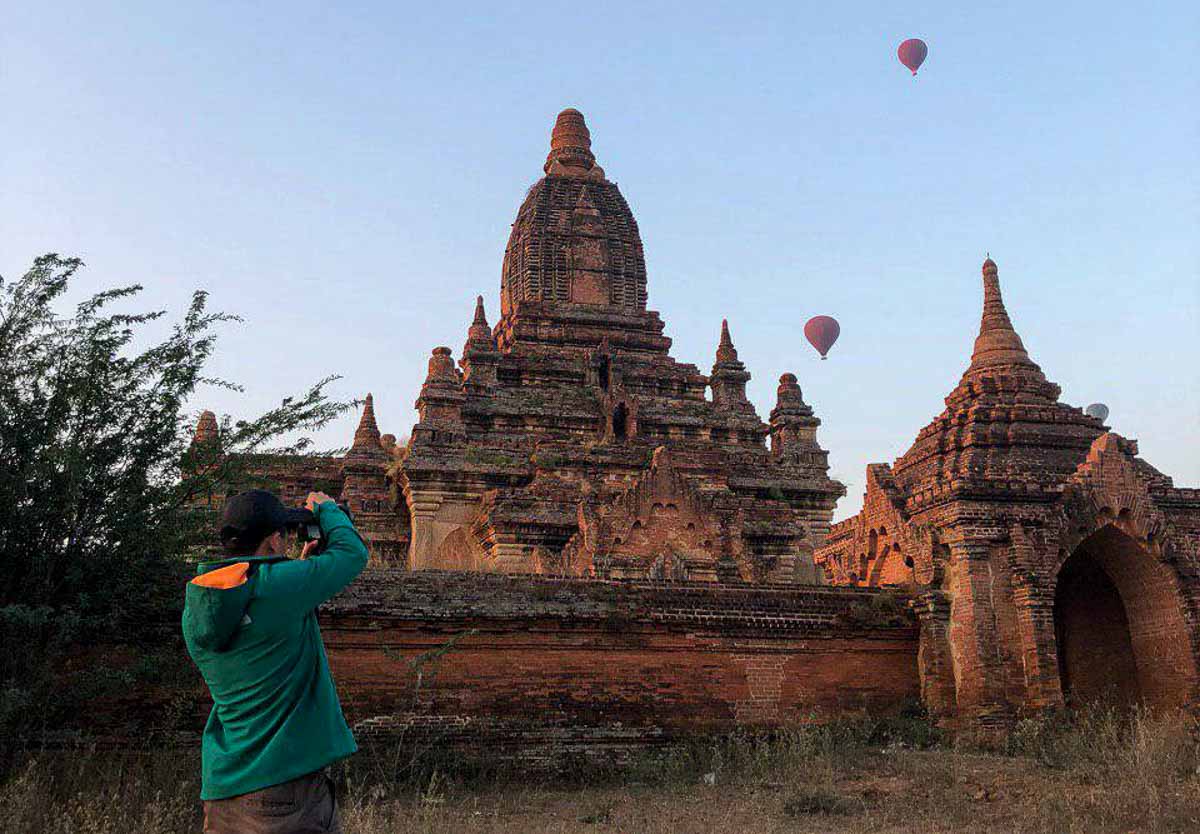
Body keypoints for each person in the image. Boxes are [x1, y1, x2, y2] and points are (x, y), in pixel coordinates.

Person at [182, 488, 369, 834]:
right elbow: (352, 553)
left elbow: (262, 612)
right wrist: (328, 511)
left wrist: (298, 569)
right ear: (272, 541)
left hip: (224, 793)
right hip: (284, 791)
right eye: (282, 536)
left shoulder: (200, 603)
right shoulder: (283, 588)